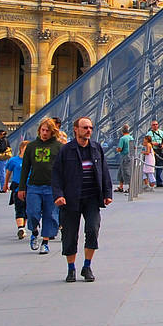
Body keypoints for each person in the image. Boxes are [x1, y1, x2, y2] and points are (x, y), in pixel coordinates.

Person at [51, 117, 113, 283]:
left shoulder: (96, 148)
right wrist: (58, 195)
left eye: (91, 127)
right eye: (85, 127)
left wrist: (108, 193)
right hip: (71, 199)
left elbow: (104, 171)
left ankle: (87, 266)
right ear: (75, 129)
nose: (89, 130)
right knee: (69, 235)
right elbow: (56, 175)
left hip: (92, 198)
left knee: (93, 229)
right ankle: (71, 269)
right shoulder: (66, 150)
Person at [18, 118, 61, 255]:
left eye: (47, 131)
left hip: (51, 187)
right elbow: (25, 168)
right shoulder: (31, 146)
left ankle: (45, 242)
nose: (44, 133)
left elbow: (64, 169)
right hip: (34, 186)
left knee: (50, 215)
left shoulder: (59, 147)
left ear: (52, 132)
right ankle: (35, 231)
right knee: (32, 213)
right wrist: (21, 187)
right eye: (43, 130)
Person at [146, 120, 163, 187]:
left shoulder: (161, 132)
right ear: (151, 126)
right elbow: (146, 142)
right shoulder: (149, 133)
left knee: (160, 165)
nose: (155, 126)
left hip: (160, 150)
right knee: (151, 166)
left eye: (156, 124)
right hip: (153, 150)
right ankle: (151, 181)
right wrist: (154, 143)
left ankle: (159, 181)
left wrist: (162, 145)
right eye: (153, 125)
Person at [114, 125, 134, 193]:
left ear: (122, 131)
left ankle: (130, 187)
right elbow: (133, 148)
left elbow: (120, 148)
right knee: (121, 172)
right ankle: (121, 186)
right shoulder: (131, 137)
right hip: (130, 156)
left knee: (126, 172)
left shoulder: (122, 138)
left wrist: (117, 149)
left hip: (124, 157)